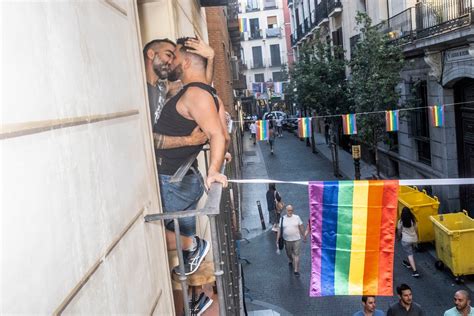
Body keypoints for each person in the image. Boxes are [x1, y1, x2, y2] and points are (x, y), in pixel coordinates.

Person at [155, 37, 228, 278]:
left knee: (151, 238)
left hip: (173, 182)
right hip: (182, 179)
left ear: (185, 63)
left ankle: (193, 247)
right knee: (186, 251)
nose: (170, 61)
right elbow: (204, 85)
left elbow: (218, 134)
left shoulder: (195, 94)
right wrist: (212, 57)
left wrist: (214, 170)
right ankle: (196, 282)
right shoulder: (202, 91)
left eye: (174, 56)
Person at [143, 38, 208, 149]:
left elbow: (202, 87)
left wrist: (210, 57)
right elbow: (146, 139)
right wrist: (190, 141)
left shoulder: (163, 87)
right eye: (168, 55)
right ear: (151, 54)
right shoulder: (140, 90)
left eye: (174, 58)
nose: (171, 62)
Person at [275, 205, 305, 276]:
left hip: (296, 239)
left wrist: (304, 235)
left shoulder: (297, 217)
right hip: (287, 240)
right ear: (286, 210)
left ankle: (296, 270)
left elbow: (301, 227)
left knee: (296, 254)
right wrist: (277, 239)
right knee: (289, 253)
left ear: (293, 210)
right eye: (288, 210)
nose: (290, 212)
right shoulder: (282, 219)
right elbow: (279, 230)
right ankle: (291, 259)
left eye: (291, 210)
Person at [397, 207, 420, 278]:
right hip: (414, 238)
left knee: (409, 254)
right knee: (409, 252)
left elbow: (399, 231)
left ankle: (415, 271)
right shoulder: (413, 220)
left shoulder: (401, 221)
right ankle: (409, 263)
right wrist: (417, 238)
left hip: (406, 240)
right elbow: (416, 230)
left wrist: (399, 237)